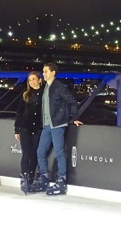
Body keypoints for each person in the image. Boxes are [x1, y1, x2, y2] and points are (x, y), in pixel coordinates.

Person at [31, 62, 83, 195]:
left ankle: (61, 180)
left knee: (59, 152)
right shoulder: (45, 87)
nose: (44, 73)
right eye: (43, 71)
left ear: (53, 72)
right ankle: (43, 177)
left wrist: (73, 117)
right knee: (40, 151)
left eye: (46, 71)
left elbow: (72, 100)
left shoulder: (59, 87)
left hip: (58, 124)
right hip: (46, 125)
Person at [14, 71, 44, 195]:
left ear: (39, 80)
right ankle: (24, 179)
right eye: (30, 80)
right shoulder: (25, 95)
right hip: (25, 129)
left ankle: (31, 179)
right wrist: (17, 129)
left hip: (38, 129)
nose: (32, 82)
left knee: (34, 155)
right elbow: (19, 113)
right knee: (26, 154)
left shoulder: (44, 94)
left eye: (34, 79)